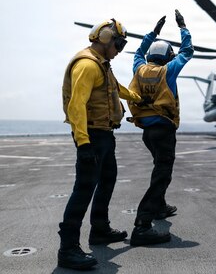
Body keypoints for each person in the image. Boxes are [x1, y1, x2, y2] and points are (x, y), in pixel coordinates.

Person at [59, 18, 142, 270]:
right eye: (119, 44)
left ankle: (100, 229)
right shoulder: (87, 65)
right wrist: (83, 144)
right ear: (106, 39)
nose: (120, 49)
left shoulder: (102, 65)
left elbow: (115, 88)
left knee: (107, 180)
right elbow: (76, 105)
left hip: (105, 135)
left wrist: (138, 97)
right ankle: (68, 249)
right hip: (91, 137)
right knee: (83, 189)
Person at [127, 9, 193, 246]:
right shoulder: (168, 71)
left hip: (147, 132)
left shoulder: (139, 69)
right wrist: (183, 27)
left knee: (159, 169)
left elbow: (138, 52)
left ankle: (160, 207)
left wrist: (153, 33)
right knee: (162, 175)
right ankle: (143, 224)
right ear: (167, 57)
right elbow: (187, 51)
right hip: (164, 131)